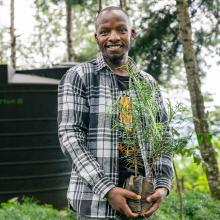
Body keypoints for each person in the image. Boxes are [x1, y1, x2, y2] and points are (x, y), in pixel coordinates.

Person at [58, 6, 173, 220]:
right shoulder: (79, 76)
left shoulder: (147, 83)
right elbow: (70, 137)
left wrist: (163, 184)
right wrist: (108, 189)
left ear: (132, 34)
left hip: (141, 203)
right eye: (105, 32)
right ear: (96, 37)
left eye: (121, 30)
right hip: (94, 205)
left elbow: (163, 136)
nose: (113, 37)